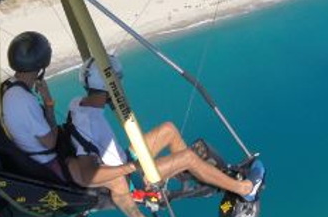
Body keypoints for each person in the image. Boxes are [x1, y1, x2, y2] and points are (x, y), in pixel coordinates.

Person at [1, 31, 182, 217]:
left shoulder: (10, 88)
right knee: (115, 178)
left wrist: (48, 104)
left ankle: (177, 173)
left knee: (97, 153)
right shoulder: (23, 101)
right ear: (41, 64)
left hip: (37, 154)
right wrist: (49, 107)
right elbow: (49, 141)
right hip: (47, 165)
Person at [70, 55, 265, 202]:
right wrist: (131, 168)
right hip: (130, 179)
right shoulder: (90, 122)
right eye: (117, 83)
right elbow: (89, 175)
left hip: (124, 158)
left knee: (168, 129)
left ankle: (187, 175)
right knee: (188, 157)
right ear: (110, 86)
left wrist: (110, 97)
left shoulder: (78, 103)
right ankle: (244, 189)